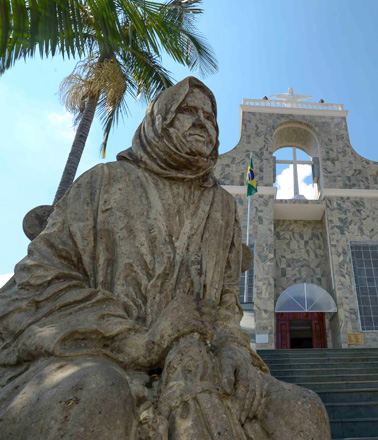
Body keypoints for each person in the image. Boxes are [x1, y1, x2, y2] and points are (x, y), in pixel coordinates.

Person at [0, 77, 330, 440]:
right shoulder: (104, 182)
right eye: (187, 110)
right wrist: (142, 339)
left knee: (303, 411)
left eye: (210, 116)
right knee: (98, 396)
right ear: (158, 121)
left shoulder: (222, 208)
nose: (202, 121)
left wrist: (234, 350)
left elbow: (225, 303)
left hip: (202, 357)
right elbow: (41, 279)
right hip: (105, 353)